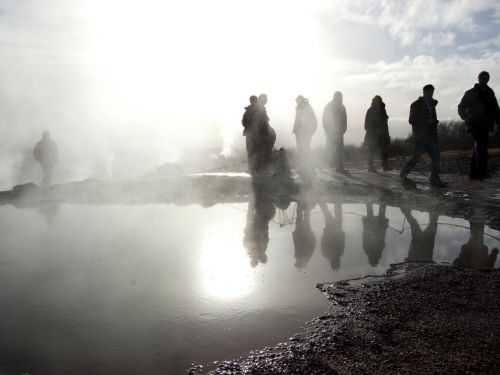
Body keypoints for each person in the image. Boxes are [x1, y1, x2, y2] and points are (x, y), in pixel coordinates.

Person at [400, 85, 446, 187]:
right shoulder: (415, 105)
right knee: (416, 157)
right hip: (420, 137)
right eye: (429, 92)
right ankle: (403, 174)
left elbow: (432, 119)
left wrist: (433, 122)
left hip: (431, 136)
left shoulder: (432, 105)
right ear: (424, 92)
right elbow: (411, 120)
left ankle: (434, 179)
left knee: (436, 157)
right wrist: (426, 122)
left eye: (432, 92)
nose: (431, 94)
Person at [458, 71, 500, 180]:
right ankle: (482, 172)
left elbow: (496, 108)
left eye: (486, 78)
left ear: (488, 79)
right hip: (474, 124)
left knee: (481, 146)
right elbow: (461, 107)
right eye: (483, 77)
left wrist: (498, 122)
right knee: (481, 146)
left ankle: (473, 173)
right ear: (479, 78)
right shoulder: (471, 93)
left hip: (486, 125)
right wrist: (465, 118)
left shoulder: (490, 92)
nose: (484, 80)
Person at [364, 95, 391, 172]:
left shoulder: (383, 110)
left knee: (384, 150)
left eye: (379, 101)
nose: (378, 102)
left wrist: (387, 134)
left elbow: (385, 123)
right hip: (373, 134)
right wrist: (373, 130)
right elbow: (366, 124)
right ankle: (370, 167)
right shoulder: (370, 110)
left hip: (383, 134)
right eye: (377, 101)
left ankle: (385, 166)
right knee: (371, 151)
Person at [323, 91, 347, 173]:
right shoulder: (329, 106)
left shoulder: (342, 107)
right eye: (339, 97)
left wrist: (343, 129)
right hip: (331, 132)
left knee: (339, 150)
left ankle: (339, 167)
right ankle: (325, 165)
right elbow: (325, 119)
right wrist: (327, 130)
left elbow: (344, 119)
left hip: (339, 132)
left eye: (341, 97)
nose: (340, 98)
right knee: (330, 149)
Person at [254, 94, 276, 173]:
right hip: (261, 132)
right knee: (262, 150)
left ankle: (262, 168)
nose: (266, 101)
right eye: (265, 99)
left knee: (263, 150)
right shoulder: (259, 107)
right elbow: (262, 120)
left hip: (262, 132)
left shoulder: (261, 107)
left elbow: (264, 120)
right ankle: (261, 168)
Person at [320, 201, 345, 271]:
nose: (338, 261)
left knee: (328, 214)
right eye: (338, 262)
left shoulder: (328, 254)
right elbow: (342, 243)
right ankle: (336, 201)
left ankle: (322, 201)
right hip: (334, 230)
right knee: (329, 214)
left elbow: (323, 243)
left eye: (337, 262)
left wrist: (342, 234)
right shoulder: (329, 254)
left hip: (331, 230)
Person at [242, 95, 259, 173]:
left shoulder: (248, 111)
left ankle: (252, 168)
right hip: (256, 134)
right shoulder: (259, 110)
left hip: (250, 133)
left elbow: (243, 122)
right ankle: (255, 168)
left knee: (251, 151)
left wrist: (248, 126)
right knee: (255, 150)